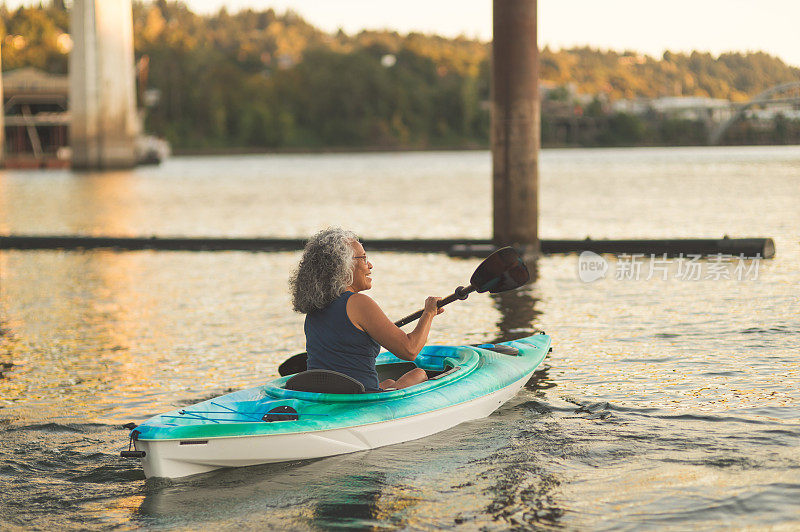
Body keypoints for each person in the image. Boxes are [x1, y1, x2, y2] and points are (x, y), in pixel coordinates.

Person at [289, 227, 444, 392]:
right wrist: (429, 313)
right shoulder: (359, 303)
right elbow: (409, 350)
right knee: (419, 373)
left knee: (389, 381)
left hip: (320, 393)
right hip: (359, 398)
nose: (369, 265)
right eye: (363, 258)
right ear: (343, 266)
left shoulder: (315, 307)